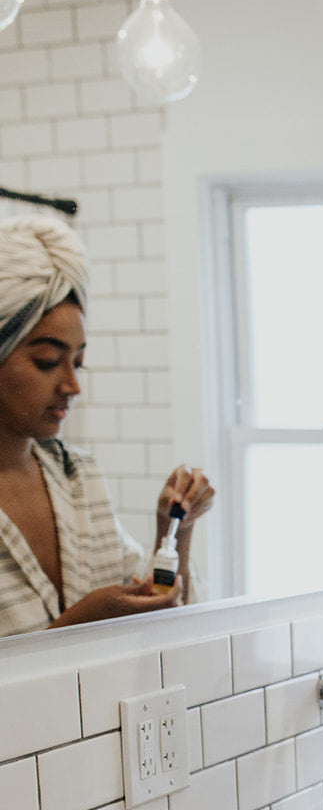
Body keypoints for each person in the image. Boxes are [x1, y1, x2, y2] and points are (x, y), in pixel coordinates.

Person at [0, 214, 213, 637]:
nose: (72, 385)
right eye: (47, 361)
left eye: (78, 362)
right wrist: (76, 627)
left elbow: (161, 624)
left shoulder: (77, 477)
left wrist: (174, 530)